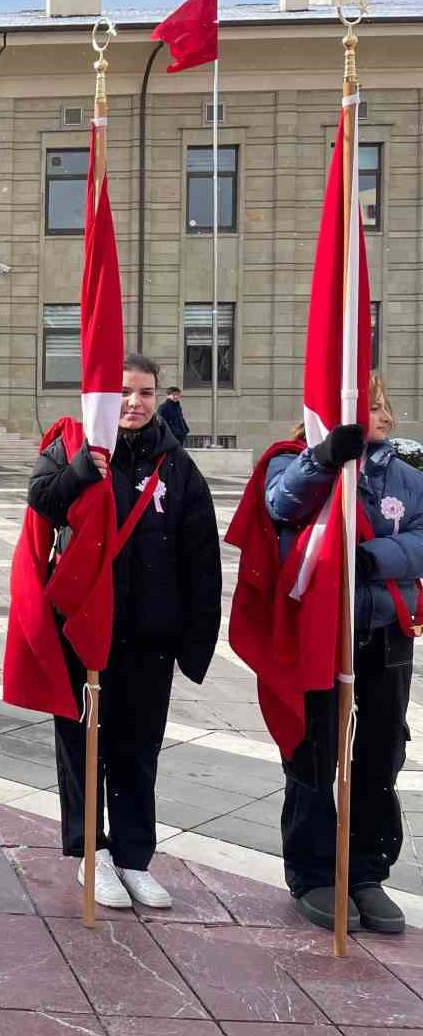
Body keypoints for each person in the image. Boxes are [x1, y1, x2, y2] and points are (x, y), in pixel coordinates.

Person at [27, 353, 221, 909]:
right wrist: (85, 468)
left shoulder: (177, 465)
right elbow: (43, 498)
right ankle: (91, 854)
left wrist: (195, 639)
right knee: (83, 745)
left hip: (148, 637)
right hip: (83, 632)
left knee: (138, 751)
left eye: (144, 392)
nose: (133, 403)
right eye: (122, 392)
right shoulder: (70, 446)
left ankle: (134, 856)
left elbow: (200, 555)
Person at [265, 374, 422, 934]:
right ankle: (312, 873)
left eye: (383, 406)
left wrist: (376, 558)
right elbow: (281, 505)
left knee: (379, 757)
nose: (378, 415)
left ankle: (365, 873)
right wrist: (324, 460)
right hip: (319, 638)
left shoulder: (407, 476)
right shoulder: (295, 461)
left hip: (384, 637)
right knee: (313, 753)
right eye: (366, 406)